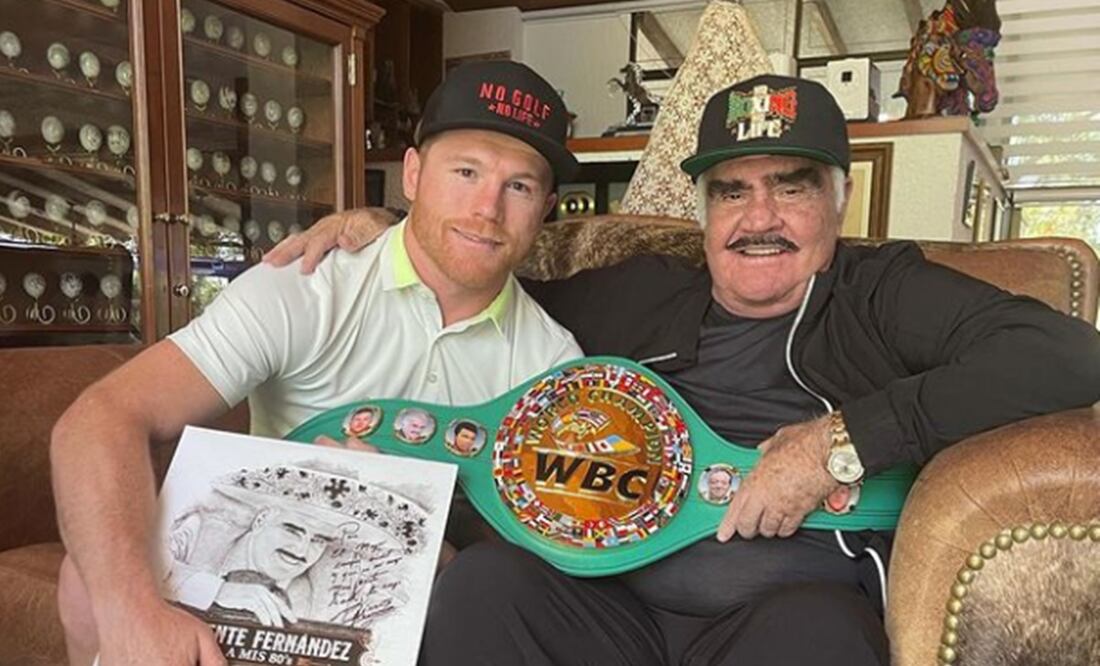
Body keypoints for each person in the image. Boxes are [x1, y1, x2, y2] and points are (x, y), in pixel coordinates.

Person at [271, 74, 1100, 665]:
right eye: (732, 192)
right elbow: (484, 270)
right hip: (603, 601)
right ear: (705, 211)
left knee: (822, 642)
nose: (760, 218)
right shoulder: (634, 296)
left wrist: (836, 444)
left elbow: (1067, 356)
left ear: (840, 199)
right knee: (486, 587)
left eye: (791, 186)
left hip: (787, 615)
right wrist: (391, 225)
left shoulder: (884, 289)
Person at [51, 60, 583, 666]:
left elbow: (536, 581)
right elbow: (100, 418)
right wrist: (133, 616)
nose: (487, 208)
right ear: (413, 173)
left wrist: (419, 538)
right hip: (256, 571)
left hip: (415, 599)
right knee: (86, 579)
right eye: (465, 171)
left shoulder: (554, 365)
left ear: (545, 207)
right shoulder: (306, 287)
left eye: (519, 186)